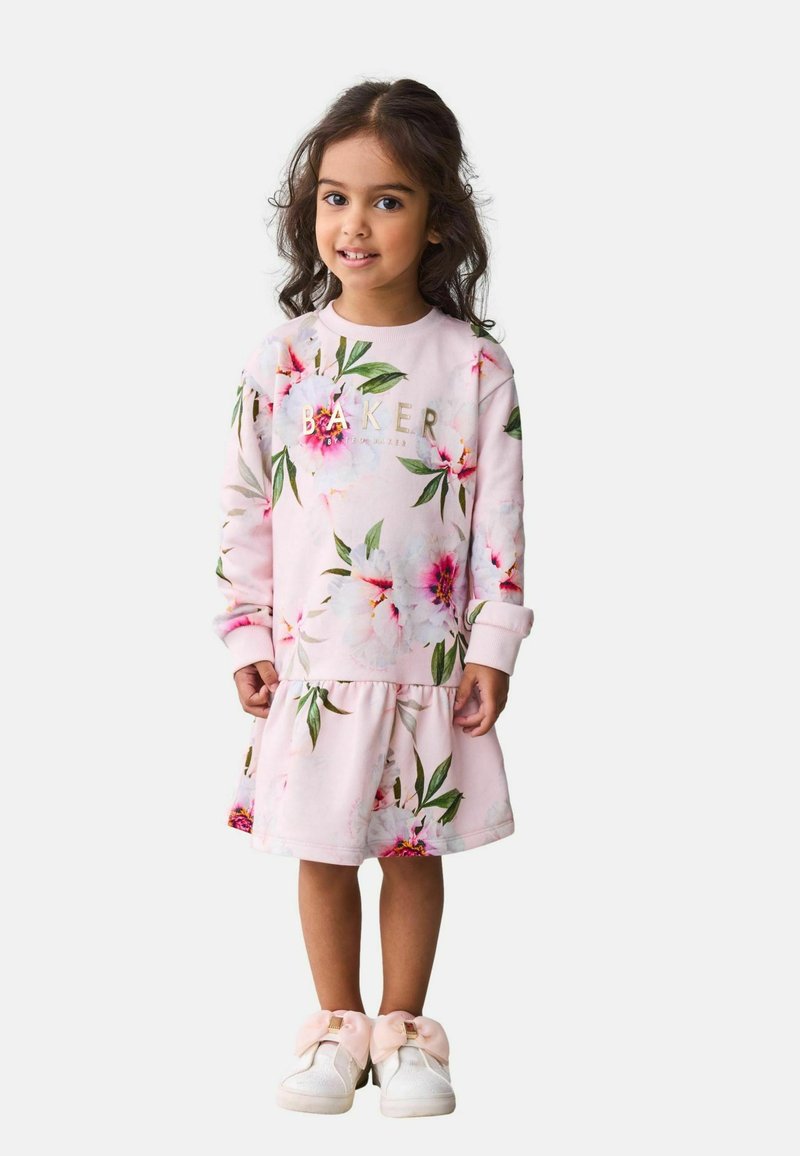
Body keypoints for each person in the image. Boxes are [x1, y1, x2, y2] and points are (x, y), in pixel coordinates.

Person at [212, 77, 534, 1118]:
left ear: (437, 217)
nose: (354, 223)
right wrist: (244, 634)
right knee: (321, 850)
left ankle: (403, 1033)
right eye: (334, 198)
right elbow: (246, 504)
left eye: (387, 200)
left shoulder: (472, 366)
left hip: (422, 662)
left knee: (410, 849)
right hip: (314, 661)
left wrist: (491, 645)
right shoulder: (284, 360)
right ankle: (334, 1027)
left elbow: (498, 522)